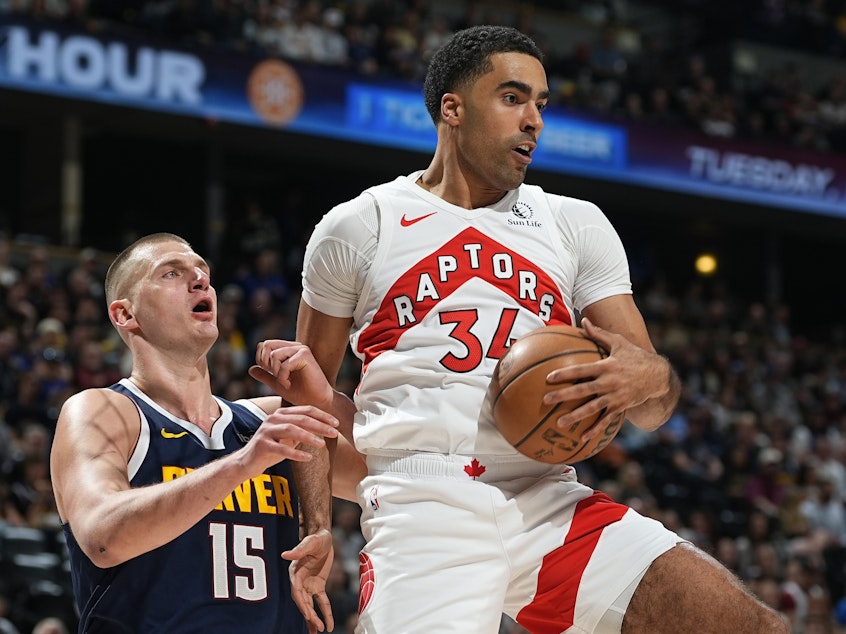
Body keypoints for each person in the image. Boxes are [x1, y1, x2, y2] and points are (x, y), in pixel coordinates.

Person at [255, 25, 790, 634]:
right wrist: (318, 526)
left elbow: (653, 407)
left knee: (750, 626)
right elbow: (309, 407)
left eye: (540, 103)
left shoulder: (574, 223)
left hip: (549, 495)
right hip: (425, 502)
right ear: (452, 110)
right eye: (513, 98)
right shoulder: (360, 225)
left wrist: (651, 376)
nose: (533, 119)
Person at [49, 233, 343, 634]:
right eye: (171, 273)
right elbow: (103, 538)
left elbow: (389, 464)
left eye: (203, 272)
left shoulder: (266, 422)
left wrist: (325, 396)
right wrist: (243, 463)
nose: (200, 280)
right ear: (125, 314)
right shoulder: (104, 410)